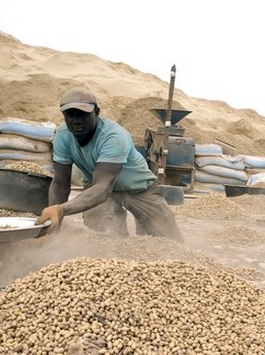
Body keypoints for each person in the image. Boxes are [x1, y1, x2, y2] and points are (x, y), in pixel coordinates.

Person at [36, 87, 183, 242]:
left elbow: (103, 188)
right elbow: (60, 183)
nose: (76, 119)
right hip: (97, 191)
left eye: (83, 114)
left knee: (170, 242)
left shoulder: (114, 137)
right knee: (107, 236)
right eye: (70, 114)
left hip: (139, 189)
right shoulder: (63, 135)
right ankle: (114, 256)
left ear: (97, 112)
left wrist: (61, 210)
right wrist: (53, 220)